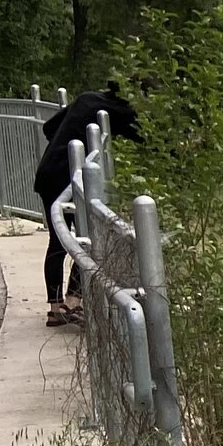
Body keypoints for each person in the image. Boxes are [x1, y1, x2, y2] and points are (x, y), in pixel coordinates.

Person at [34, 83, 142, 326]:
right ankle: (73, 302)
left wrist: (68, 141)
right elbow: (148, 141)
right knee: (89, 239)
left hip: (49, 171)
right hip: (72, 180)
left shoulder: (86, 97)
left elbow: (49, 127)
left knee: (57, 241)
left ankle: (55, 307)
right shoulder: (122, 113)